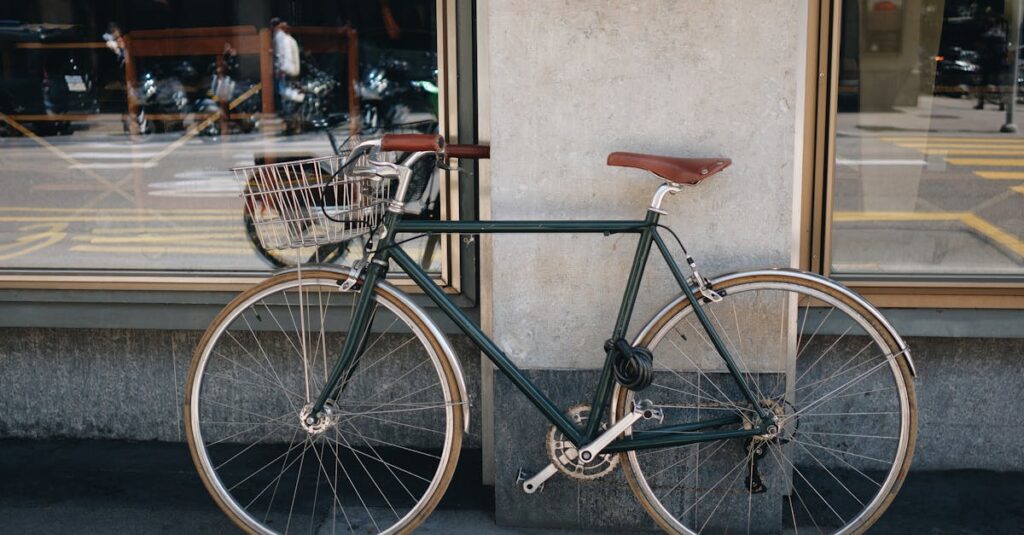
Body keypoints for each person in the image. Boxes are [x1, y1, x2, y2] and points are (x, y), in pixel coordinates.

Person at [271, 18, 301, 108]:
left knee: (284, 93)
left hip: (284, 70)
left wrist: (279, 69)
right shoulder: (288, 39)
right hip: (290, 70)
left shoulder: (280, 38)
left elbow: (282, 56)